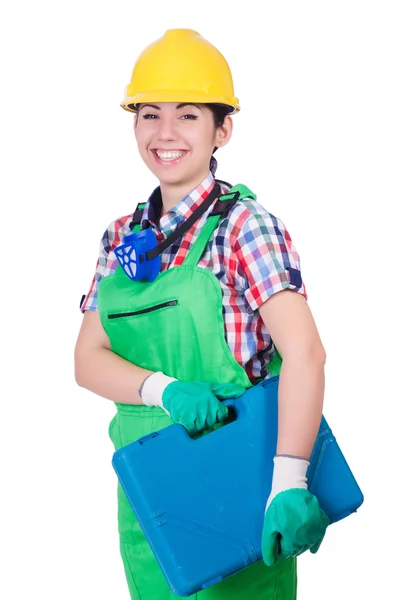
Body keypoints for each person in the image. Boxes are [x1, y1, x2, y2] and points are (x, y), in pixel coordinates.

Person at [74, 28, 329, 600]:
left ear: (222, 129)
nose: (165, 133)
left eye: (188, 115)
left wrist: (289, 481)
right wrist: (163, 390)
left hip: (239, 489)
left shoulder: (246, 227)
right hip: (152, 501)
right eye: (149, 114)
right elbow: (87, 359)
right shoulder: (120, 237)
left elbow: (306, 354)